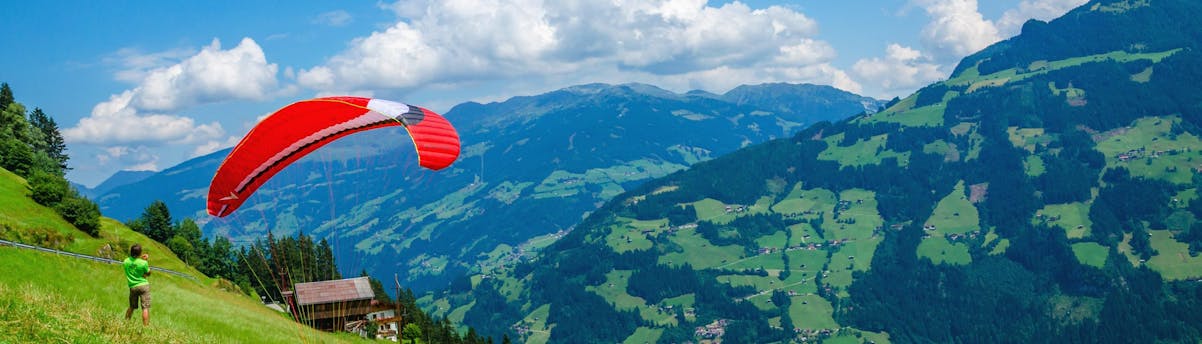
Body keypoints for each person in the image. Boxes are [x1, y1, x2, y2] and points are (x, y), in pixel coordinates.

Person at [123, 244, 151, 326]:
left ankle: (126, 323)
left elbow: (134, 264)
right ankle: (145, 327)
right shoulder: (144, 263)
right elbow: (148, 273)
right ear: (140, 253)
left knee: (132, 307)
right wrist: (145, 261)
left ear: (131, 252)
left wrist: (140, 259)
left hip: (133, 286)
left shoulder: (126, 261)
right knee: (145, 307)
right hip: (143, 285)